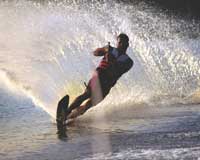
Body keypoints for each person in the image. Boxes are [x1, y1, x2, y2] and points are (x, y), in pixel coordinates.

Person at [66, 33, 133, 119]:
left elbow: (118, 72)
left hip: (108, 83)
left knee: (89, 104)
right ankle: (67, 111)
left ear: (127, 44)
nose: (121, 45)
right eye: (119, 42)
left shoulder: (128, 61)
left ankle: (70, 117)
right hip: (99, 75)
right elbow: (95, 52)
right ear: (117, 43)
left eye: (123, 43)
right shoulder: (110, 49)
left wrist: (112, 62)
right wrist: (104, 51)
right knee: (87, 94)